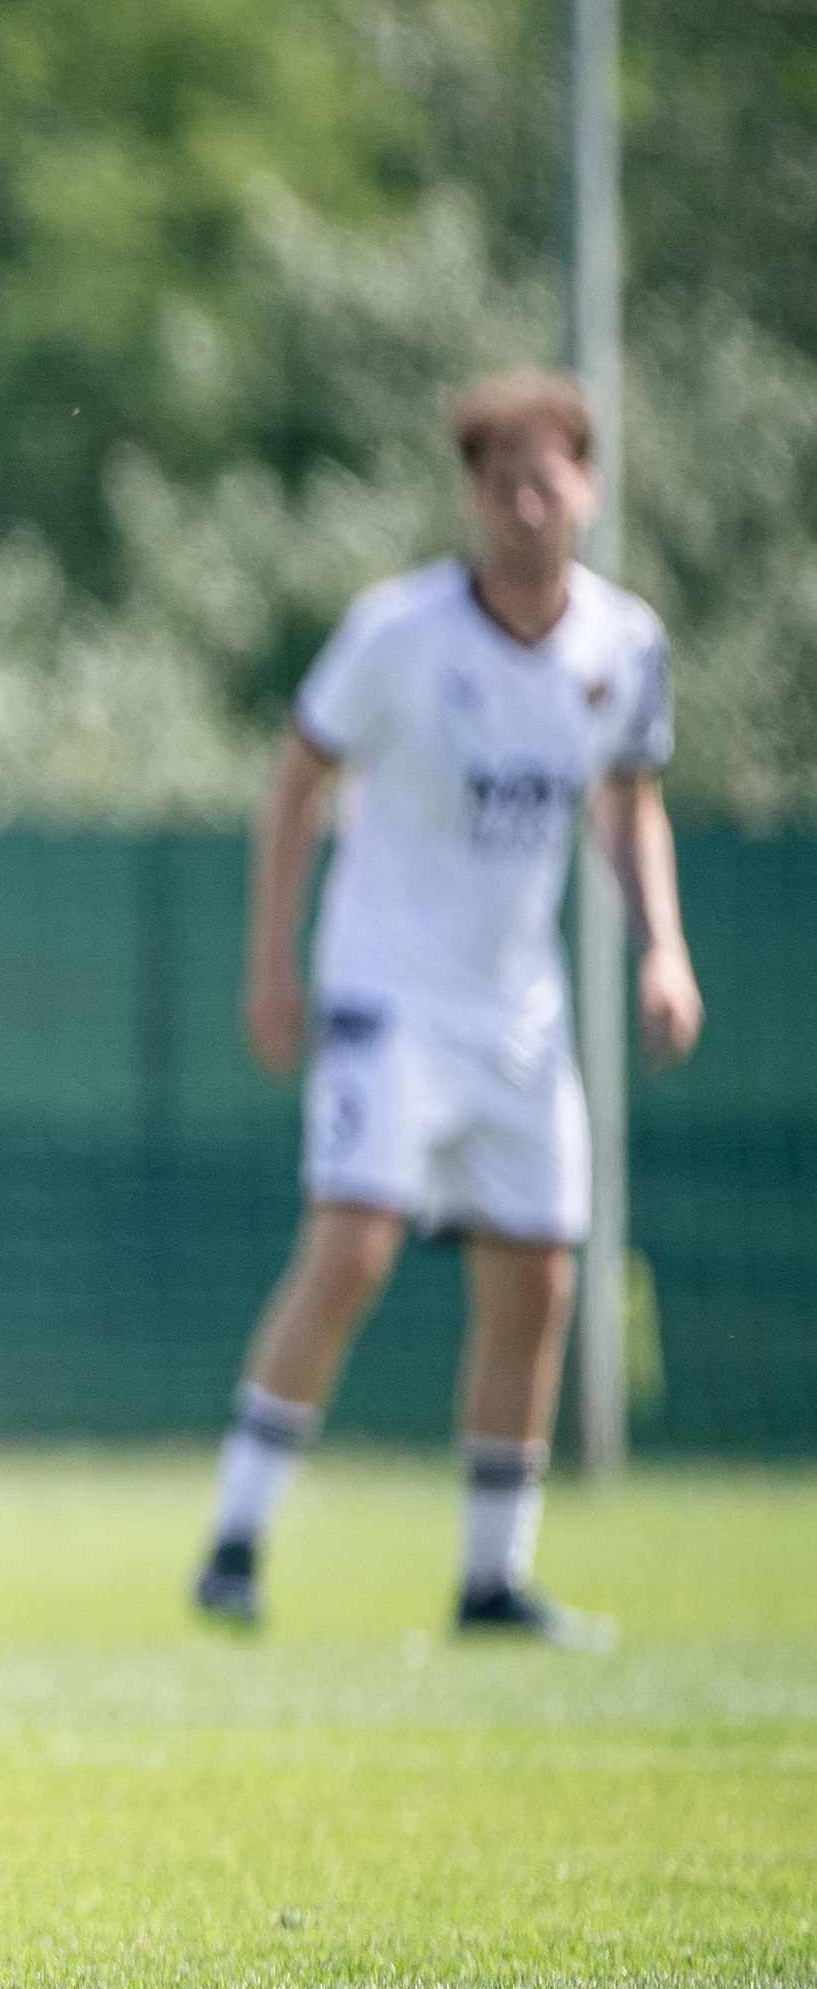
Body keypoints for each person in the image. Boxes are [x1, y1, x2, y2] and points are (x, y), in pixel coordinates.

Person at [194, 369, 701, 1647]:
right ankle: (234, 1541)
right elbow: (294, 778)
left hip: (517, 1012)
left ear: (587, 486)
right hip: (385, 992)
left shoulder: (622, 643)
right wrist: (270, 962)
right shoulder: (397, 631)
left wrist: (662, 948)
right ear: (473, 498)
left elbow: (627, 801)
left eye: (547, 479)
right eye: (501, 483)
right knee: (351, 1246)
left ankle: (490, 1579)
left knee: (537, 1280)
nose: (527, 504)